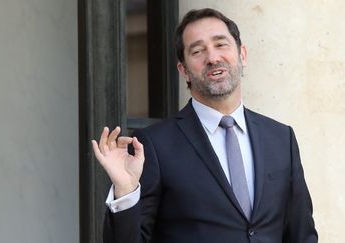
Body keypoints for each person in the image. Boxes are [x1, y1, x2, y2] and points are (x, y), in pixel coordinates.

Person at [92, 8, 317, 243]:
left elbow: (302, 234)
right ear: (184, 71)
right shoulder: (155, 145)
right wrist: (126, 192)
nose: (212, 58)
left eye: (221, 45)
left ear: (242, 54)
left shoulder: (281, 138)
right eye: (197, 51)